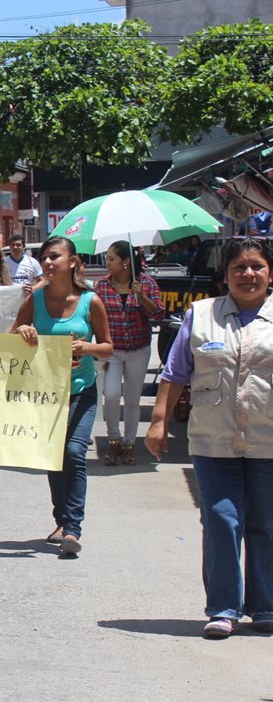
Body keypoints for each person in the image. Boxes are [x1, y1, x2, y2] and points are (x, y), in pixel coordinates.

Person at [146, 238, 273, 639]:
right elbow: (174, 371)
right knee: (220, 520)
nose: (248, 274)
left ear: (270, 274)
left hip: (269, 439)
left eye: (257, 267)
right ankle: (223, 608)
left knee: (265, 525)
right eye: (239, 267)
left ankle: (265, 606)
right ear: (226, 275)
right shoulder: (201, 315)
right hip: (212, 440)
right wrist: (158, 420)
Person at [12, 236, 113, 556]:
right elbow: (13, 334)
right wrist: (23, 332)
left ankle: (72, 528)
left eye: (54, 256)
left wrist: (87, 347)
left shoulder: (90, 301)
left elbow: (108, 347)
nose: (47, 262)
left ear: (72, 262)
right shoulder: (35, 300)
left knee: (73, 452)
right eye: (44, 257)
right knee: (53, 458)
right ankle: (61, 519)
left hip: (82, 390)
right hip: (46, 394)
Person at [94, 240, 164, 465]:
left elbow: (159, 314)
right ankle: (113, 440)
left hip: (139, 349)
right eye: (107, 258)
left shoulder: (146, 283)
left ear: (126, 262)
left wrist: (142, 297)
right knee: (112, 395)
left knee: (132, 400)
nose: (108, 262)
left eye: (112, 258)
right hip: (112, 350)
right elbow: (94, 315)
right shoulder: (102, 286)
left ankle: (129, 444)